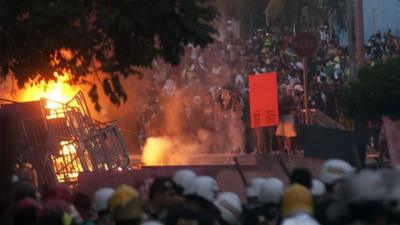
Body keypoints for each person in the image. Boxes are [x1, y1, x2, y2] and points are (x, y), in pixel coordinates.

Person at [276, 85, 297, 154]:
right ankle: (283, 150)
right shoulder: (278, 98)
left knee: (289, 134)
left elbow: (294, 106)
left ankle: (290, 149)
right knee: (280, 134)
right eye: (282, 89)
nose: (283, 90)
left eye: (284, 89)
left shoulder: (290, 97)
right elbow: (278, 108)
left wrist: (285, 108)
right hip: (282, 117)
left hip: (288, 116)